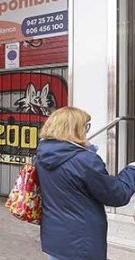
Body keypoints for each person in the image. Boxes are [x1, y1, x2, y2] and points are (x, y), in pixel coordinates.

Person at [35, 106, 135, 260]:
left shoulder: (42, 155)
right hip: (82, 244)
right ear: (74, 129)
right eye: (85, 126)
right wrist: (131, 170)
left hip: (55, 240)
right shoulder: (85, 160)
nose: (87, 130)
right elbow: (117, 195)